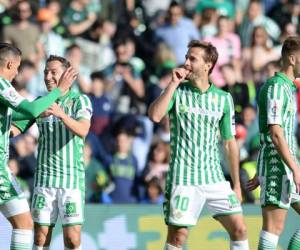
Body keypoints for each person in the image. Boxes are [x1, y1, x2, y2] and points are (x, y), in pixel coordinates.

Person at [148, 40, 249, 250]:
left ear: (208, 65)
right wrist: (173, 83)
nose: (186, 62)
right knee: (178, 236)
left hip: (214, 177)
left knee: (240, 229)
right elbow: (155, 116)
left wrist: (237, 185)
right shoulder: (177, 91)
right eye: (186, 57)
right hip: (183, 178)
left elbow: (230, 143)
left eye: (192, 58)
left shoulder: (223, 99)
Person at [12, 55, 92, 250]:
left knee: (72, 239)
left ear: (67, 75)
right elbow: (14, 129)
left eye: (53, 72)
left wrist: (61, 114)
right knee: (40, 238)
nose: (48, 76)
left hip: (71, 180)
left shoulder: (80, 101)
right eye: (45, 72)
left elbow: (83, 130)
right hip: (44, 180)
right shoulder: (41, 102)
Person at [0, 43, 75, 250]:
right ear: (9, 64)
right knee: (24, 224)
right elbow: (31, 108)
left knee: (21, 222)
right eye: (17, 67)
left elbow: (17, 122)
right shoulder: (1, 84)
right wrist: (59, 90)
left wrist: (37, 112)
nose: (16, 73)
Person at [247, 36, 300, 250]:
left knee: (274, 228)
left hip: (286, 163)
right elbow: (275, 133)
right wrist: (293, 168)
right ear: (292, 59)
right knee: (273, 228)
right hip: (279, 164)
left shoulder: (289, 87)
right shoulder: (276, 87)